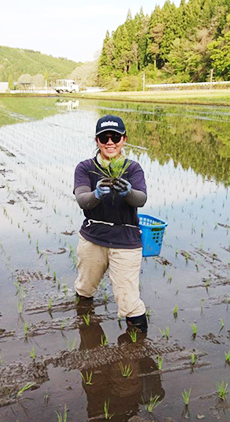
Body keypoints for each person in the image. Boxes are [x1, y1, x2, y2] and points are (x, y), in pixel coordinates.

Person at [73, 114, 148, 333]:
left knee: (129, 301)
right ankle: (87, 334)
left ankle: (137, 349)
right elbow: (82, 199)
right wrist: (96, 194)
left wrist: (128, 192)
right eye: (104, 137)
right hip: (93, 238)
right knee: (85, 289)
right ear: (97, 141)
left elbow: (140, 200)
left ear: (124, 139)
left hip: (126, 241)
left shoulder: (133, 169)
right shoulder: (85, 168)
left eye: (115, 137)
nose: (110, 142)